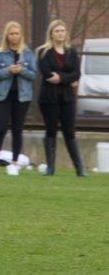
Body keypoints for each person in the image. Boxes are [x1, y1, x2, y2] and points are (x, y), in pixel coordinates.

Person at [0, 21, 37, 176]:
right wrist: (8, 70)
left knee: (17, 130)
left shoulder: (27, 53)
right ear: (7, 35)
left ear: (21, 35)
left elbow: (33, 75)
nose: (14, 36)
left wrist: (21, 70)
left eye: (17, 33)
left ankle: (14, 163)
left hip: (22, 97)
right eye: (11, 33)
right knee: (1, 128)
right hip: (3, 96)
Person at [35, 19, 86, 177]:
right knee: (51, 131)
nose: (60, 34)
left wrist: (62, 78)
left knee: (69, 132)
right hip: (49, 99)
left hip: (67, 99)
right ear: (51, 33)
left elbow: (77, 73)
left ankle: (80, 169)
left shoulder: (71, 51)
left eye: (62, 31)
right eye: (57, 31)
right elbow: (47, 74)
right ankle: (50, 168)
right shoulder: (44, 52)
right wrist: (69, 80)